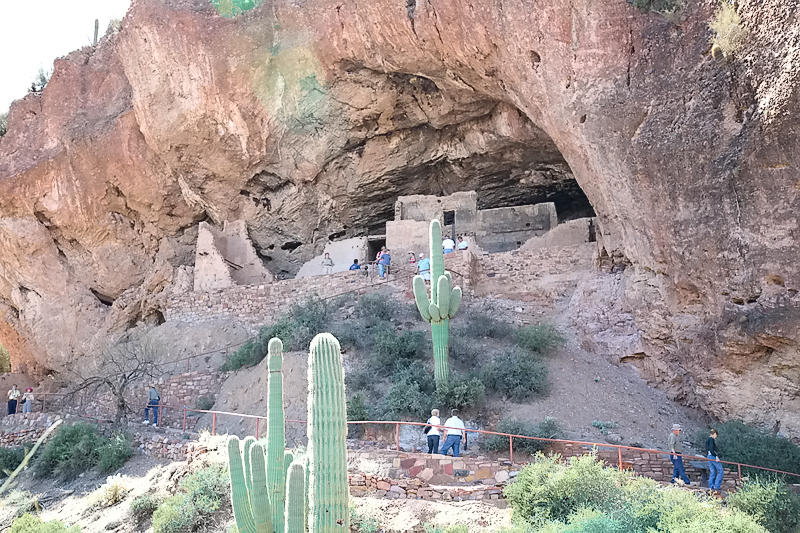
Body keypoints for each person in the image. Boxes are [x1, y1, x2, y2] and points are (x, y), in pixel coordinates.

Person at [706, 428, 723, 493]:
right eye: (716, 435)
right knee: (720, 471)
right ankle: (717, 487)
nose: (716, 437)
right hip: (712, 456)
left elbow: (708, 449)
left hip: (708, 456)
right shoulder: (711, 439)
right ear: (714, 434)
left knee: (712, 471)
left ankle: (711, 487)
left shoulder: (707, 439)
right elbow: (711, 449)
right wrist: (716, 456)